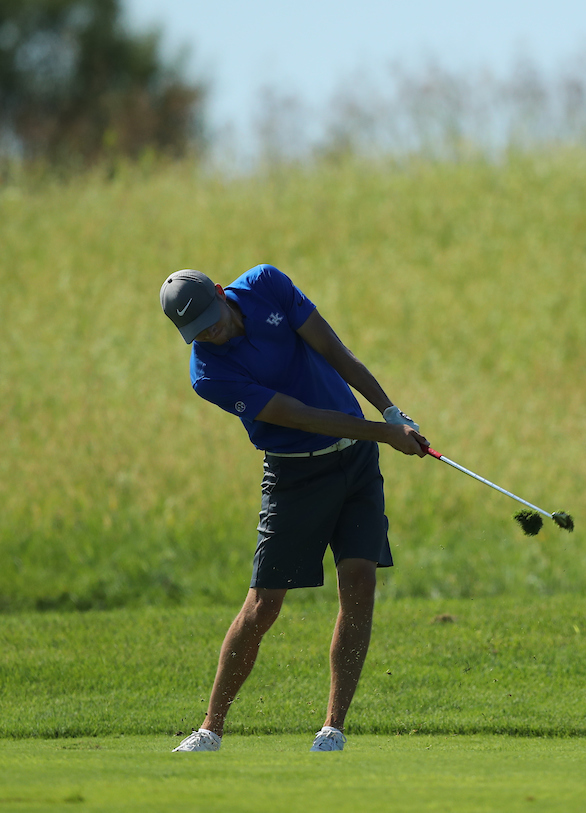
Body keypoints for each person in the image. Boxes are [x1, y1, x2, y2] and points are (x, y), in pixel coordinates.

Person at [159, 264, 427, 753]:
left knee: (360, 582)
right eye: (197, 332)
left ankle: (333, 728)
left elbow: (333, 350)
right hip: (294, 476)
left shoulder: (266, 285)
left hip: (357, 464)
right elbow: (299, 418)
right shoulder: (208, 372)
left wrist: (389, 410)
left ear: (221, 293)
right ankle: (210, 728)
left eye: (212, 321)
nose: (211, 335)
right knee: (263, 606)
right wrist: (386, 434)